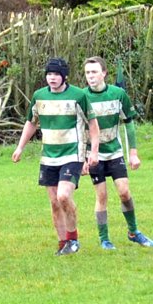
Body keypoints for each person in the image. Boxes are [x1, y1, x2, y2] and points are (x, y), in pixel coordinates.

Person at [10, 58, 100, 255]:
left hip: (72, 155)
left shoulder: (78, 96)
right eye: (49, 74)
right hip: (48, 157)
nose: (52, 78)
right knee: (54, 203)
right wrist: (20, 147)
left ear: (64, 77)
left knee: (63, 196)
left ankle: (73, 239)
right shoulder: (39, 96)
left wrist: (93, 152)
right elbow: (31, 122)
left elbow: (93, 124)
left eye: (56, 74)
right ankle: (63, 243)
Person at [81, 57, 153, 250]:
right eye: (87, 72)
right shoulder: (81, 97)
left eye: (94, 72)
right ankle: (104, 239)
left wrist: (133, 153)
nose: (90, 76)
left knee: (124, 192)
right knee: (102, 197)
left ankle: (133, 232)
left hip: (114, 152)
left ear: (104, 73)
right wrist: (82, 158)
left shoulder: (118, 94)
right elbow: (77, 129)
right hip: (93, 154)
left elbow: (129, 124)